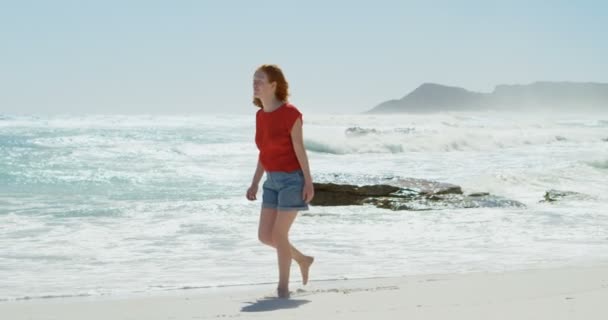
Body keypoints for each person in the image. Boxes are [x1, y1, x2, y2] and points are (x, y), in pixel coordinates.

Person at [245, 64, 315, 299]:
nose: (255, 84)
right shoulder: (260, 116)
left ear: (274, 85)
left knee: (279, 235)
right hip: (271, 181)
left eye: (260, 80)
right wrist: (255, 182)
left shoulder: (290, 114)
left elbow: (299, 148)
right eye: (254, 80)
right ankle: (302, 259)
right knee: (266, 236)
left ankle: (282, 289)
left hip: (292, 181)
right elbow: (264, 152)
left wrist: (308, 181)